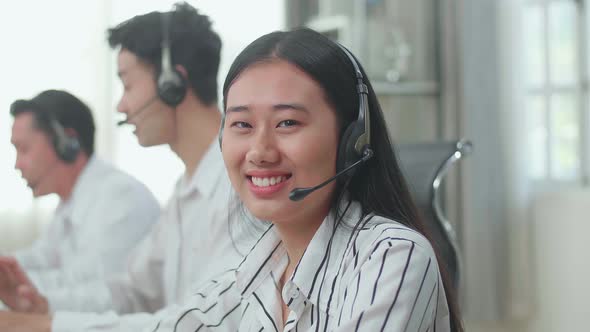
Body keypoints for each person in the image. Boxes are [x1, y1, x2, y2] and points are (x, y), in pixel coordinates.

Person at [146, 27, 465, 331]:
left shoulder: (391, 257)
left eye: (286, 122)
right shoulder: (254, 276)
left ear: (352, 140)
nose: (259, 151)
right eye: (242, 125)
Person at [0, 2, 255, 332]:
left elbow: (204, 325)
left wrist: (44, 325)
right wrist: (43, 308)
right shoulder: (185, 191)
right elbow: (132, 290)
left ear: (171, 83)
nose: (121, 104)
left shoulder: (242, 186)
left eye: (128, 84)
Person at [0, 89, 160, 313]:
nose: (17, 165)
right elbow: (43, 257)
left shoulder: (120, 199)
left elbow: (101, 298)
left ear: (68, 142)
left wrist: (15, 288)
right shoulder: (70, 201)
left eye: (24, 149)